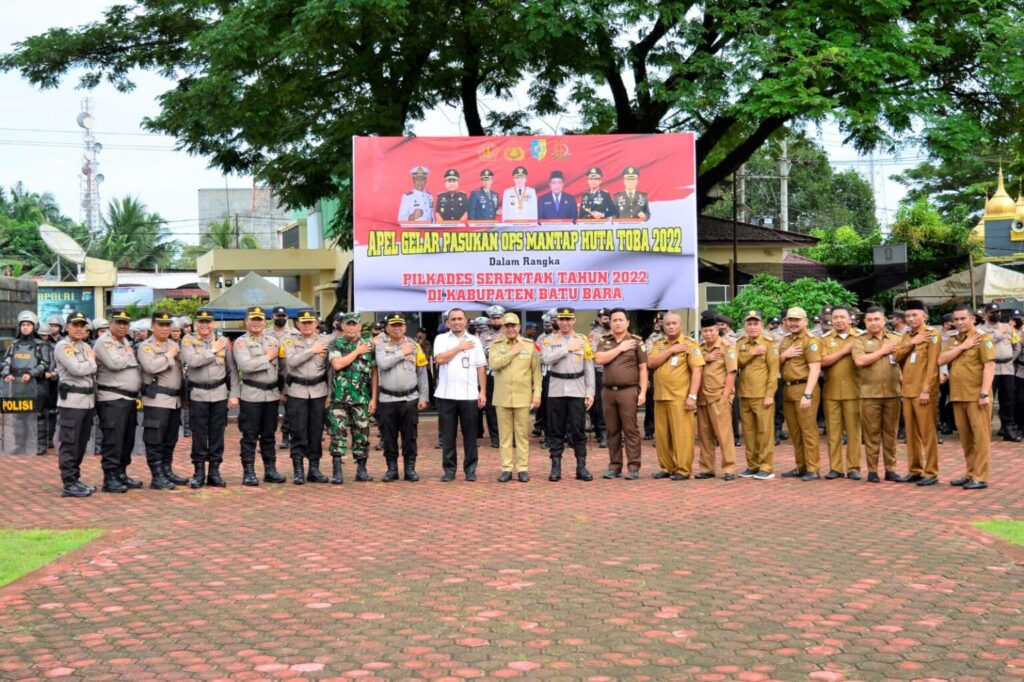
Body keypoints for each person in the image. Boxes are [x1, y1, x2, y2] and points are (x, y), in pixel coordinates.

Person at [939, 304, 995, 490]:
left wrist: (984, 393)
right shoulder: (953, 339)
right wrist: (963, 347)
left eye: (963, 318)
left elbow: (989, 366)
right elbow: (941, 360)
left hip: (976, 396)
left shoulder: (982, 338)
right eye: (956, 319)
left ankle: (981, 476)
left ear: (972, 319)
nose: (960, 322)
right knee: (966, 438)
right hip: (958, 395)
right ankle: (971, 473)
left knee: (980, 438)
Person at [232, 306, 288, 486]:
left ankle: (270, 470)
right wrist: (266, 358)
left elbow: (283, 368)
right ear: (246, 321)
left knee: (269, 434)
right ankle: (249, 472)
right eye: (253, 319)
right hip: (251, 395)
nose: (256, 323)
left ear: (265, 322)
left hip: (271, 395)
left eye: (259, 319)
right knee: (250, 435)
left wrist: (284, 390)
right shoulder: (241, 342)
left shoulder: (274, 341)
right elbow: (245, 366)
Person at [541, 308, 596, 481]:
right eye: (562, 319)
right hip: (556, 389)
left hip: (577, 389)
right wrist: (566, 348)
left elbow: (589, 367)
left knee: (578, 430)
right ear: (557, 321)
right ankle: (556, 467)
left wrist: (590, 392)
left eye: (568, 319)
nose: (565, 323)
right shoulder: (549, 340)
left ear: (574, 320)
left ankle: (581, 467)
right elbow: (545, 359)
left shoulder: (582, 340)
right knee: (555, 429)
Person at [647, 312, 704, 480]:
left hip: (680, 398)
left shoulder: (690, 344)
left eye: (674, 323)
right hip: (660, 396)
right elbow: (651, 363)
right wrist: (671, 350)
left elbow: (697, 371)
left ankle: (683, 469)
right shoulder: (659, 344)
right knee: (662, 436)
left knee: (682, 435)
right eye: (668, 324)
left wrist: (692, 396)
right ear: (663, 326)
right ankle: (667, 467)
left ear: (680, 325)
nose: (671, 326)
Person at [181, 309, 234, 488]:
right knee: (199, 435)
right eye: (201, 321)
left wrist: (234, 394)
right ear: (196, 323)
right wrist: (212, 350)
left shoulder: (223, 342)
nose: (204, 325)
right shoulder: (188, 340)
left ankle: (214, 472)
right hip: (198, 394)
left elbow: (231, 370)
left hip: (219, 394)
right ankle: (198, 473)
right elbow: (192, 361)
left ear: (214, 323)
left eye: (208, 321)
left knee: (217, 434)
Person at [433, 308, 487, 481]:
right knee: (448, 436)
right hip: (446, 395)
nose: (457, 322)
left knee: (470, 436)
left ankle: (470, 470)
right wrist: (459, 348)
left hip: (469, 395)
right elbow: (439, 359)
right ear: (448, 322)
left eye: (460, 319)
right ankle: (449, 470)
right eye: (453, 319)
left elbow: (481, 367)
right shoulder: (441, 339)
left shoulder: (475, 340)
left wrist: (483, 392)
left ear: (465, 321)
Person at [92, 309, 143, 492]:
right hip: (112, 398)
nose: (122, 326)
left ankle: (121, 473)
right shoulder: (104, 341)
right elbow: (114, 364)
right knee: (113, 440)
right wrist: (129, 357)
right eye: (118, 322)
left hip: (128, 399)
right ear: (110, 324)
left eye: (125, 323)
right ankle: (110, 477)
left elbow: (123, 361)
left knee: (126, 440)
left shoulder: (124, 341)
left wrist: (125, 357)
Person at [375, 312, 429, 482]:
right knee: (388, 436)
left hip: (409, 399)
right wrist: (401, 353)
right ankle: (391, 469)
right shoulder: (381, 346)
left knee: (410, 436)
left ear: (405, 327)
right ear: (387, 328)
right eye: (393, 325)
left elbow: (422, 373)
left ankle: (409, 468)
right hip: (387, 399)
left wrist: (423, 397)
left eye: (400, 325)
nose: (397, 328)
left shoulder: (414, 346)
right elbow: (383, 364)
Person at [594, 308, 647, 479]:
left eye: (620, 320)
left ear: (627, 323)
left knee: (630, 429)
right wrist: (620, 348)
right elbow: (599, 359)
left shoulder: (636, 342)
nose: (617, 323)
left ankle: (633, 467)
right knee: (612, 430)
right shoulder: (604, 340)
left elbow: (643, 368)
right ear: (610, 322)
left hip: (628, 391)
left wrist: (643, 392)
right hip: (608, 392)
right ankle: (615, 466)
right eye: (614, 320)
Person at [892, 300, 941, 485]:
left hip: (923, 391)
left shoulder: (932, 335)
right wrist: (912, 342)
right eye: (908, 316)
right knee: (911, 434)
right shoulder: (907, 336)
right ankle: (915, 470)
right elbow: (896, 357)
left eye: (915, 315)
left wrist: (927, 389)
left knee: (927, 433)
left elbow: (933, 365)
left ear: (924, 316)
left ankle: (931, 472)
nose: (911, 319)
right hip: (907, 391)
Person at [851, 306, 903, 483]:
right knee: (871, 434)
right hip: (869, 394)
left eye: (876, 319)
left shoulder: (897, 338)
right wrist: (882, 351)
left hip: (893, 393)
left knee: (891, 433)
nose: (873, 323)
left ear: (884, 320)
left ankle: (891, 469)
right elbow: (860, 361)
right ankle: (872, 470)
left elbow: (904, 363)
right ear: (864, 322)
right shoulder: (860, 340)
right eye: (869, 320)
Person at [489, 312, 542, 482]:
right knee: (504, 436)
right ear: (503, 328)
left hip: (522, 396)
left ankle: (522, 468)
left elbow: (536, 373)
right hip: (502, 396)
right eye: (507, 326)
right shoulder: (495, 345)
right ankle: (506, 468)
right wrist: (512, 352)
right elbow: (494, 364)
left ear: (519, 327)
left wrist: (537, 394)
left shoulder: (530, 345)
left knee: (522, 435)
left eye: (513, 326)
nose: (510, 329)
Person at [281, 309, 332, 485]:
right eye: (304, 322)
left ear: (316, 324)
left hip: (319, 391)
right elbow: (292, 362)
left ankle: (314, 469)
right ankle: (298, 469)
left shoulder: (325, 341)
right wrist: (312, 350)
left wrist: (329, 394)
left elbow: (330, 370)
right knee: (298, 430)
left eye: (310, 322)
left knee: (316, 431)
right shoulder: (290, 340)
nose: (307, 325)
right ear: (297, 324)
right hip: (298, 391)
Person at [137, 311, 186, 490]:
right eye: (161, 325)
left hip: (175, 400)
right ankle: (157, 476)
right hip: (157, 399)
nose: (165, 328)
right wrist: (169, 356)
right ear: (152, 326)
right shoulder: (146, 346)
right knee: (155, 439)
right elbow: (150, 367)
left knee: (170, 438)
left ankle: (167, 470)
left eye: (168, 325)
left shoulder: (173, 344)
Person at [328, 313, 378, 483]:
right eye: (348, 324)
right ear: (342, 326)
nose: (351, 327)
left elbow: (374, 372)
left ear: (359, 326)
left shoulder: (369, 345)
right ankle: (337, 472)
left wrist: (374, 398)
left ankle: (361, 470)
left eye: (354, 324)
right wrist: (357, 351)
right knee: (337, 434)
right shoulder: (336, 343)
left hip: (361, 398)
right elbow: (337, 364)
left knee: (362, 434)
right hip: (339, 398)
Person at [53, 311, 98, 497]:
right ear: (67, 327)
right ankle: (69, 483)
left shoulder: (86, 346)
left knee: (81, 443)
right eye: (75, 325)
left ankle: (75, 479)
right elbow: (77, 369)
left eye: (82, 325)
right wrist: (92, 363)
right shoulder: (63, 346)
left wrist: (91, 365)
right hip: (71, 402)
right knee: (70, 442)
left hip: (87, 402)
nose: (79, 329)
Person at [778, 307, 822, 480]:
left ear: (805, 321)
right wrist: (785, 355)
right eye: (790, 320)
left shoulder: (810, 340)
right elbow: (776, 364)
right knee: (794, 430)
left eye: (797, 320)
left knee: (808, 429)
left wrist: (808, 394)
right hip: (788, 388)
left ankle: (812, 468)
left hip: (804, 387)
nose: (793, 323)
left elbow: (815, 368)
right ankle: (801, 466)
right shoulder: (786, 340)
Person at [819, 306, 862, 479]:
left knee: (854, 432)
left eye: (842, 317)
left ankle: (854, 467)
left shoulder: (860, 337)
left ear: (850, 319)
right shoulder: (824, 339)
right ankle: (835, 467)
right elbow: (822, 361)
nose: (838, 320)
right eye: (835, 317)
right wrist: (844, 351)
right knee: (833, 433)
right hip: (832, 392)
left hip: (854, 391)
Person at [1, 311, 53, 456]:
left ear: (34, 327)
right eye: (23, 324)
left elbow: (45, 364)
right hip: (18, 385)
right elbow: (6, 362)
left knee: (38, 414)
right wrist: (6, 374)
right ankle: (20, 445)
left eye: (28, 325)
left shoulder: (41, 345)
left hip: (37, 384)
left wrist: (31, 373)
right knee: (18, 415)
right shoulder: (14, 345)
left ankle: (40, 445)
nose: (25, 327)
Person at [736, 310, 779, 480]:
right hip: (745, 394)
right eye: (749, 324)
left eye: (756, 323)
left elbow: (773, 371)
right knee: (749, 432)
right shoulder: (741, 343)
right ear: (744, 326)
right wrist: (751, 353)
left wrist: (770, 394)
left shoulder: (769, 344)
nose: (752, 327)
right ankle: (752, 465)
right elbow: (735, 363)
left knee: (764, 432)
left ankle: (766, 466)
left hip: (762, 395)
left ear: (762, 325)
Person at [696, 316, 737, 480]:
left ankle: (729, 468)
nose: (708, 334)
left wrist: (725, 396)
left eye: (711, 330)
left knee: (724, 435)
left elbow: (731, 373)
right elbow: (694, 366)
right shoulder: (699, 349)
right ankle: (707, 468)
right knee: (705, 435)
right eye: (705, 331)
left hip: (719, 396)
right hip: (702, 398)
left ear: (717, 330)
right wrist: (705, 359)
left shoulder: (727, 347)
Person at [980, 303, 1021, 441]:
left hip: (1007, 368)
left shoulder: (1007, 327)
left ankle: (1007, 428)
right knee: (989, 400)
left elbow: (1016, 344)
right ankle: (985, 428)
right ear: (986, 314)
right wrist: (999, 333)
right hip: (991, 368)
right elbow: (985, 343)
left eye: (998, 312)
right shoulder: (981, 329)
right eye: (992, 312)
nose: (996, 314)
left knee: (1008, 398)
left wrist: (1010, 359)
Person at [268, 306, 299, 450]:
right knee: (269, 412)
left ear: (287, 317)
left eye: (283, 316)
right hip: (271, 377)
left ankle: (287, 437)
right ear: (272, 317)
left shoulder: (295, 333)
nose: (280, 318)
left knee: (291, 411)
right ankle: (268, 440)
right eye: (278, 316)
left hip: (289, 377)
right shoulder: (265, 333)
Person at [588, 309, 610, 447]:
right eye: (603, 317)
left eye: (607, 317)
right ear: (599, 319)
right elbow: (592, 353)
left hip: (616, 372)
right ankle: (602, 433)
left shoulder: (618, 332)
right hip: (600, 372)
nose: (605, 319)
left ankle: (617, 433)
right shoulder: (594, 334)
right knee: (601, 404)